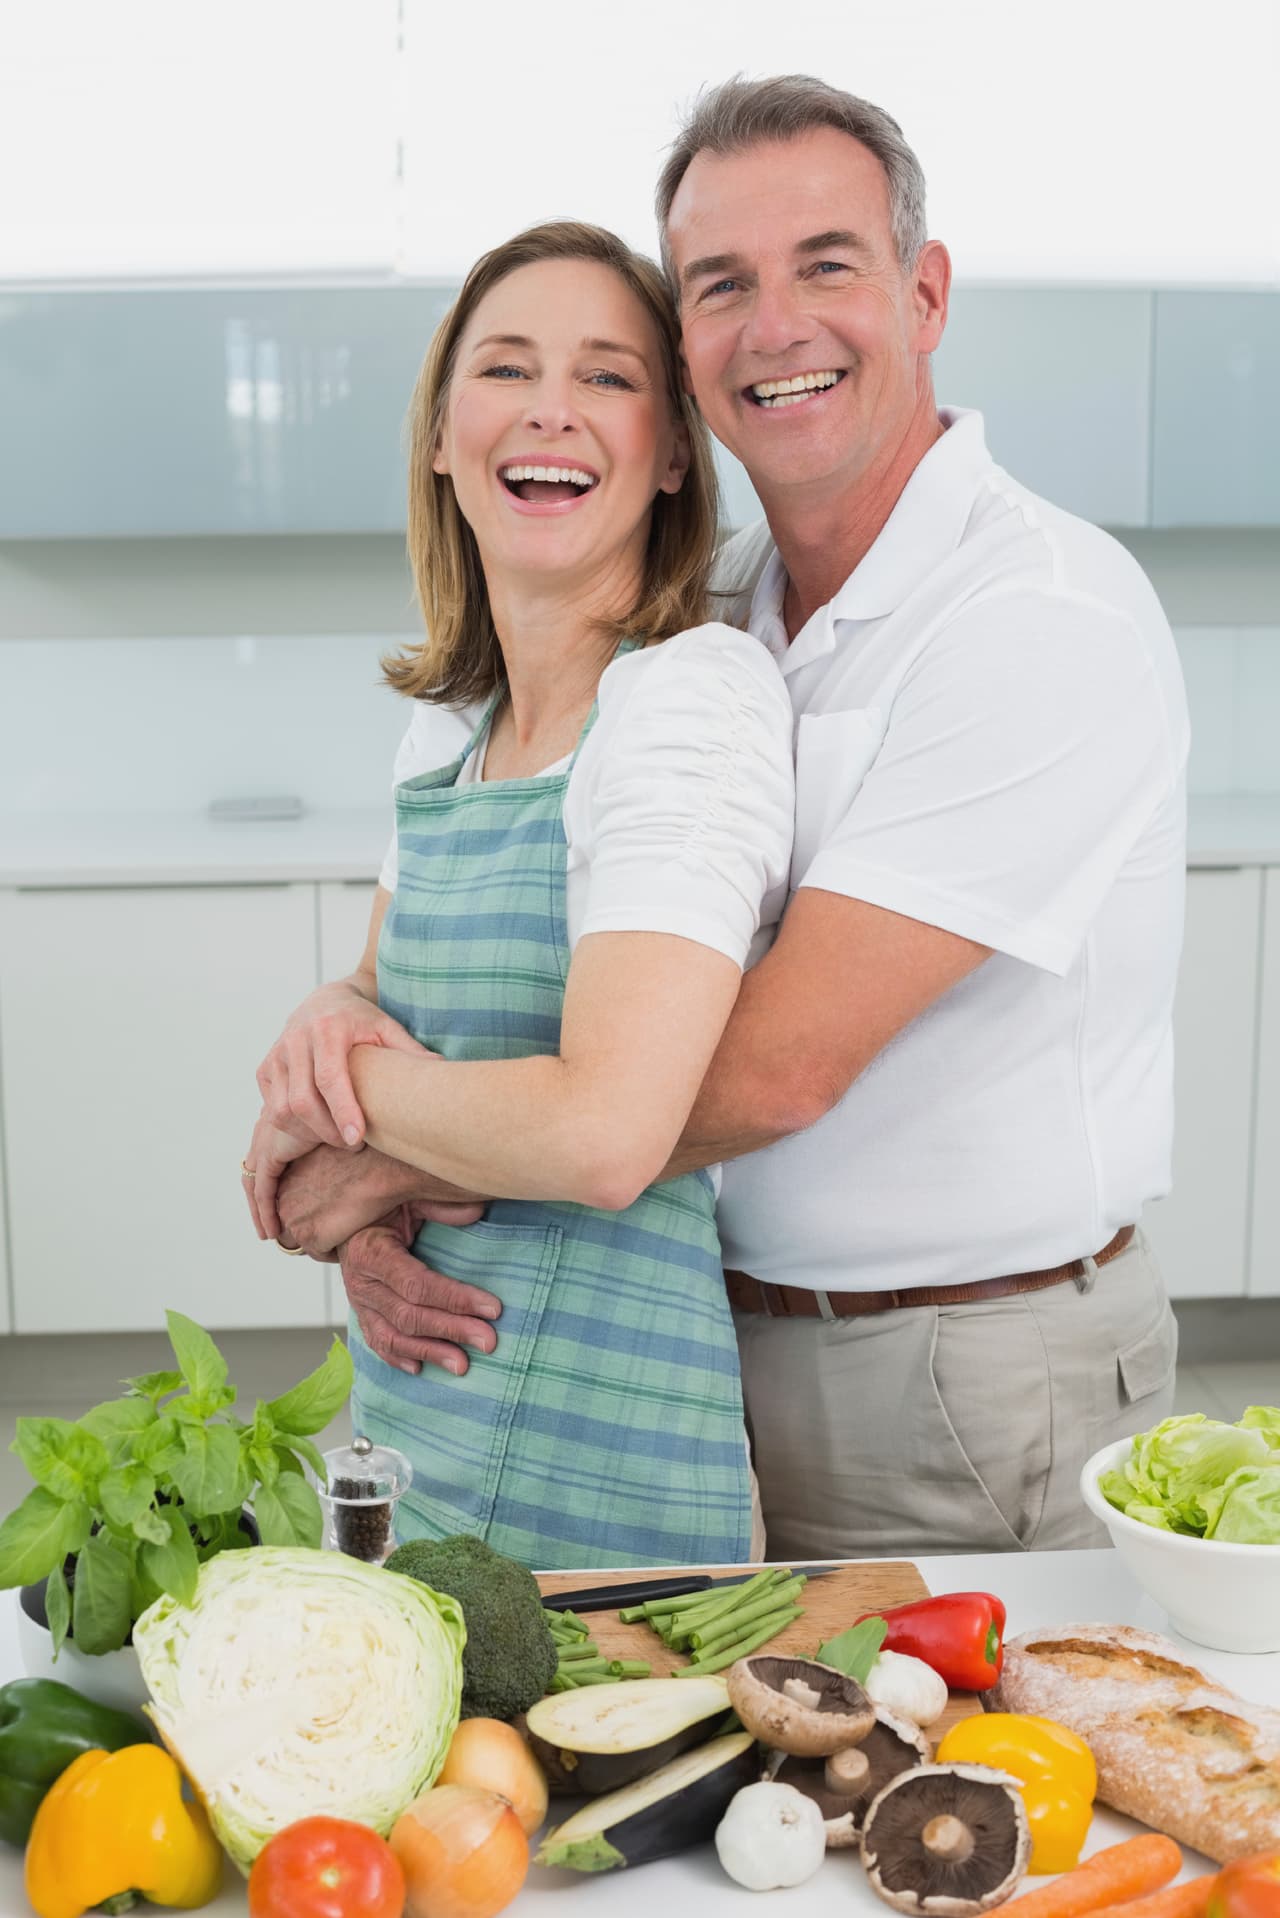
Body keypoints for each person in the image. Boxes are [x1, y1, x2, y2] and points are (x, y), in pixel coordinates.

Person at [265, 75, 1189, 1560]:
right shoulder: (725, 615)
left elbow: (773, 1067)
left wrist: (374, 1158)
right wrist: (345, 1019)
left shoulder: (1036, 617)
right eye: (721, 284)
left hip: (954, 1375)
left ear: (925, 292)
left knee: (951, 1784)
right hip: (705, 1330)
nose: (776, 324)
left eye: (827, 263)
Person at [242, 220, 793, 1568]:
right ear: (442, 433)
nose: (553, 406)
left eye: (608, 376)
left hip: (599, 1479)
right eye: (507, 367)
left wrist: (336, 1139)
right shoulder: (450, 727)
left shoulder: (688, 700)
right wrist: (340, 1073)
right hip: (415, 1426)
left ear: (672, 453)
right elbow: (386, 998)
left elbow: (608, 1130)